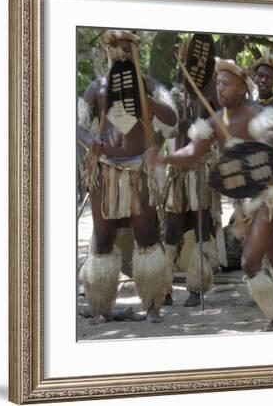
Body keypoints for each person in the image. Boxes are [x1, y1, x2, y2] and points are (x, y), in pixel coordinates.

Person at [150, 57, 273, 331]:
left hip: (271, 196)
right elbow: (192, 153)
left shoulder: (257, 115)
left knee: (250, 262)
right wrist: (165, 159)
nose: (220, 89)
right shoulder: (216, 120)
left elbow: (271, 148)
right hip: (251, 201)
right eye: (218, 83)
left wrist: (249, 148)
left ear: (243, 88)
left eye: (227, 84)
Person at [78, 30, 178, 324]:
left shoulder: (149, 85)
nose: (121, 55)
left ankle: (152, 305)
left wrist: (149, 101)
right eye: (117, 50)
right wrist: (89, 141)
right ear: (109, 52)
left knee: (146, 235)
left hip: (138, 171)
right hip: (106, 171)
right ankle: (101, 306)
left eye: (127, 50)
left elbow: (172, 118)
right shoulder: (96, 88)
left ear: (136, 52)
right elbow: (78, 125)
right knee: (103, 238)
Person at [162, 78, 222, 307]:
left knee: (201, 231)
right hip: (179, 176)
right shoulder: (173, 98)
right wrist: (180, 125)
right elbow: (166, 131)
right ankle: (163, 288)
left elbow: (217, 130)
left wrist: (199, 121)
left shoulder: (210, 99)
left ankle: (197, 288)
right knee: (171, 233)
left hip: (200, 174)